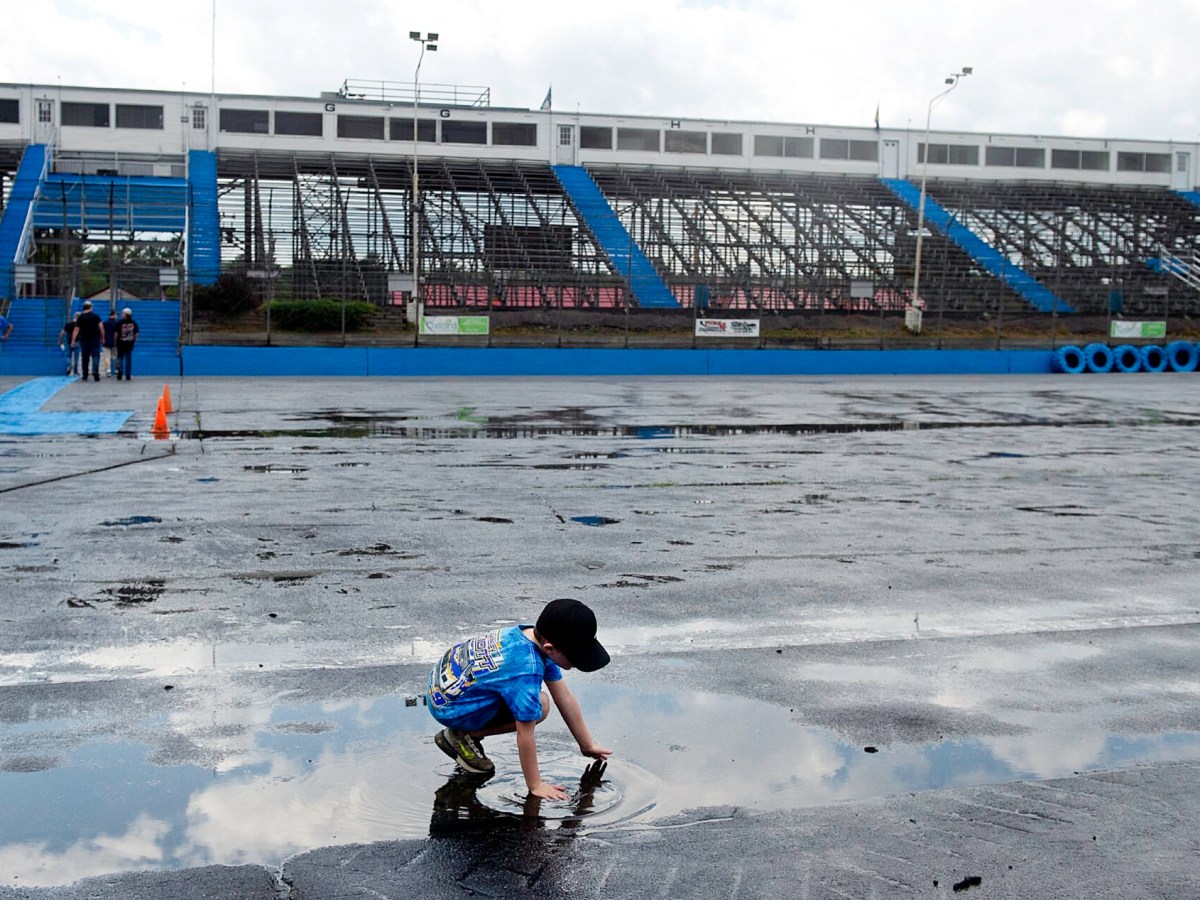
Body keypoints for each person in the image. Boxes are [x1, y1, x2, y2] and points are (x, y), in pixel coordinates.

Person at [427, 598, 612, 801]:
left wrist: (587, 745)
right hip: (451, 707)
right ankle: (460, 734)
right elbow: (525, 732)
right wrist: (536, 785)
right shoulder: (526, 667)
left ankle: (464, 730)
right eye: (576, 657)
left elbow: (564, 696)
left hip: (443, 690)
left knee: (536, 701)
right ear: (550, 648)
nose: (578, 663)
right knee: (539, 706)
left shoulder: (527, 636)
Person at [72, 301, 104, 382]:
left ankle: (85, 375)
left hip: (84, 340)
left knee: (85, 358)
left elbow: (76, 329)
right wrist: (103, 337)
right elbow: (101, 327)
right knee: (96, 356)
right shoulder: (96, 316)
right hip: (95, 340)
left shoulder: (80, 317)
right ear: (90, 307)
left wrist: (73, 340)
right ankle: (95, 372)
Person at [115, 307, 139, 381]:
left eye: (123, 313)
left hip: (120, 343)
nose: (122, 314)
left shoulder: (119, 323)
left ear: (125, 314)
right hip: (129, 343)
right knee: (128, 359)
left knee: (120, 358)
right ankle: (128, 375)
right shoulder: (134, 323)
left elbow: (116, 334)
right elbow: (136, 334)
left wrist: (115, 341)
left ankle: (120, 372)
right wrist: (134, 341)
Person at [103, 309, 118, 377]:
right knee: (115, 356)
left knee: (107, 357)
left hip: (106, 341)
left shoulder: (105, 323)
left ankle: (108, 370)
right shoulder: (117, 323)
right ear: (114, 314)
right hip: (115, 342)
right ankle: (116, 369)